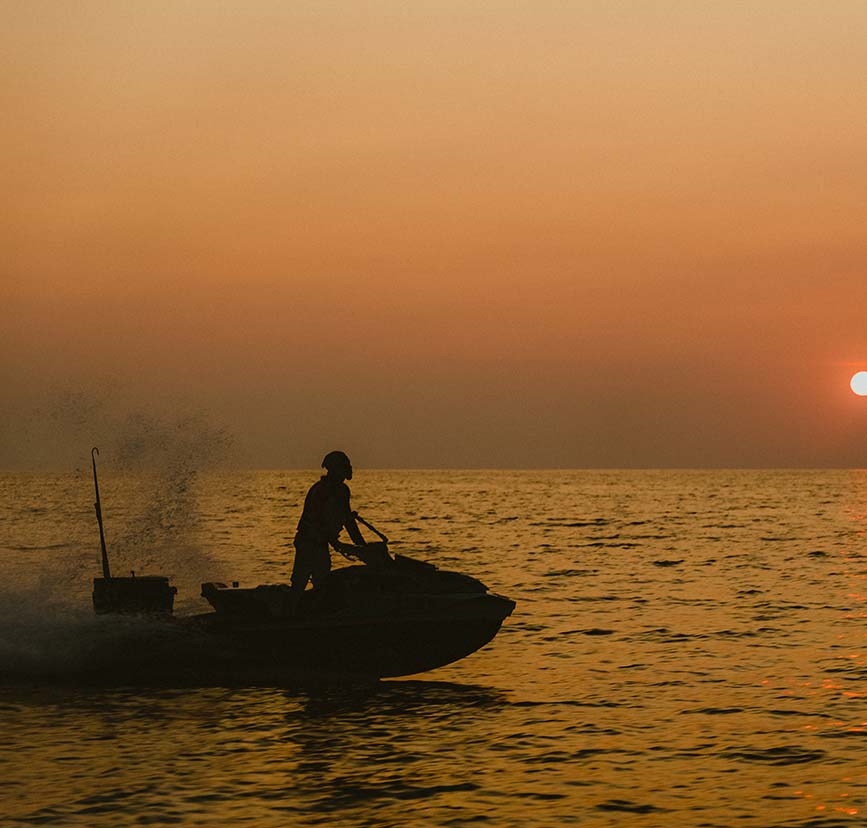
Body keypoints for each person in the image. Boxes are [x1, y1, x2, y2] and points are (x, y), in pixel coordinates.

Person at [291, 450, 367, 596]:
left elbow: (347, 522)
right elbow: (317, 522)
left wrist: (362, 547)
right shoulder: (324, 491)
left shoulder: (338, 490)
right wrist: (353, 546)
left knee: (319, 582)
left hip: (318, 543)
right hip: (309, 543)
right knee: (303, 582)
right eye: (344, 467)